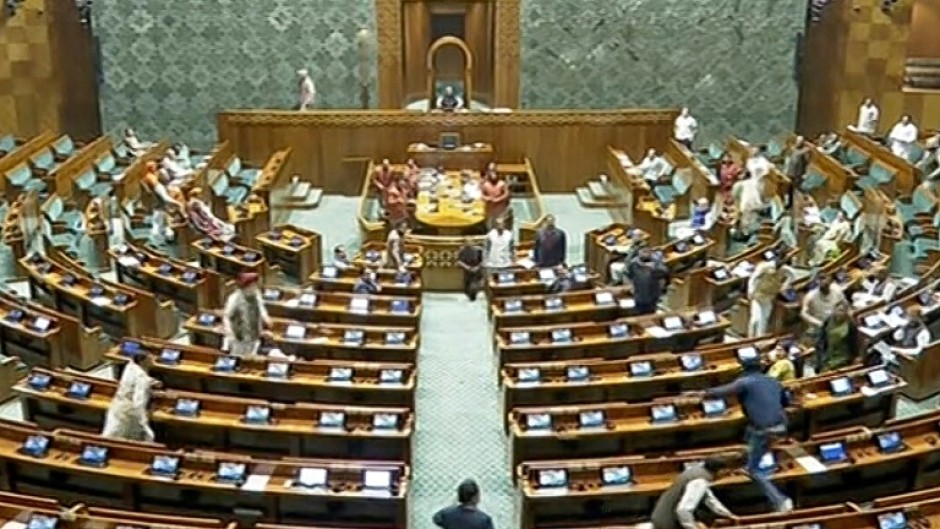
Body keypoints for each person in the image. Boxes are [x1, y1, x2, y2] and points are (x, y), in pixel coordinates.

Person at [696, 359, 793, 513]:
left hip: (764, 430)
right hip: (781, 426)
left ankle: (781, 501)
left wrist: (701, 393)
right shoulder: (773, 381)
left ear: (744, 369)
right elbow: (786, 402)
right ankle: (749, 458)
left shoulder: (745, 382)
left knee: (753, 470)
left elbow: (720, 392)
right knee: (749, 435)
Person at [649, 458, 735, 529]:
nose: (730, 474)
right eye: (727, 472)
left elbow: (710, 499)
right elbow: (683, 510)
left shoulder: (695, 472)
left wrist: (728, 515)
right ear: (720, 471)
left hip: (660, 517)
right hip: (668, 523)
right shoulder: (699, 481)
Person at [102, 352, 157, 442]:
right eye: (150, 359)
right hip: (130, 410)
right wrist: (142, 420)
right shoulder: (141, 378)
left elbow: (135, 378)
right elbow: (138, 400)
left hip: (117, 404)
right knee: (147, 437)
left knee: (111, 433)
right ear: (143, 362)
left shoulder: (130, 366)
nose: (153, 361)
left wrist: (151, 381)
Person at [222, 272, 271, 357]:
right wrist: (230, 334)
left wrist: (265, 317)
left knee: (252, 357)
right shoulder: (234, 299)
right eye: (253, 285)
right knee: (238, 358)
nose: (255, 287)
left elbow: (260, 307)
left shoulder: (256, 294)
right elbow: (226, 317)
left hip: (254, 334)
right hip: (239, 337)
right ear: (246, 286)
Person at [747, 259, 796, 337]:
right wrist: (750, 290)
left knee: (764, 321)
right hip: (758, 295)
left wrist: (785, 285)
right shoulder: (764, 266)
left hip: (769, 297)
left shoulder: (787, 270)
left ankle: (758, 339)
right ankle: (750, 338)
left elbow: (792, 276)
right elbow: (753, 278)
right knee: (755, 319)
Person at [142, 161, 183, 246]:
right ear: (151, 168)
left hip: (159, 206)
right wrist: (177, 203)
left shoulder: (149, 177)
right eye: (154, 166)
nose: (156, 168)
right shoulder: (154, 182)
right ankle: (156, 243)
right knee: (157, 225)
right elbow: (165, 198)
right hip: (160, 206)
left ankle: (159, 241)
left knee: (160, 224)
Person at [814, 302, 859, 372]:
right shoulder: (828, 320)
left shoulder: (851, 324)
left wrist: (855, 358)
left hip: (842, 357)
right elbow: (820, 340)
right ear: (834, 310)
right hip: (827, 355)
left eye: (843, 311)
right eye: (839, 310)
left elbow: (854, 343)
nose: (840, 313)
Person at [627, 248, 669, 315]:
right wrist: (631, 287)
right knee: (639, 313)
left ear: (651, 253)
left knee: (651, 313)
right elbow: (628, 276)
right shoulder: (633, 264)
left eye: (647, 251)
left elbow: (664, 274)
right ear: (639, 252)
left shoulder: (656, 263)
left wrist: (653, 269)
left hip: (652, 295)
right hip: (639, 295)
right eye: (643, 251)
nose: (645, 253)